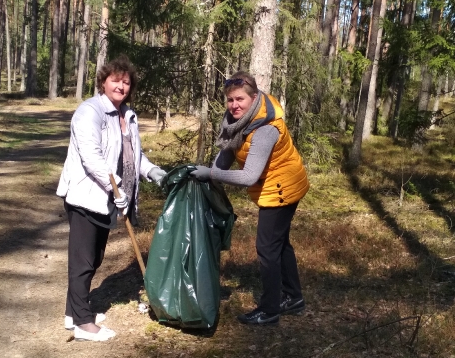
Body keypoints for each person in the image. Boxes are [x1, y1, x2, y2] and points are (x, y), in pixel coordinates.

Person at [56, 55, 166, 341]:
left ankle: (73, 311)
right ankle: (82, 323)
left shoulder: (127, 115)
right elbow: (91, 157)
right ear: (103, 81)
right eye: (115, 80)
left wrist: (153, 171)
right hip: (86, 194)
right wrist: (116, 185)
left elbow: (133, 155)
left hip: (108, 197)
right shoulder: (89, 111)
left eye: (126, 81)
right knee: (83, 260)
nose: (121, 86)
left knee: (95, 257)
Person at [190, 71, 309, 325]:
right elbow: (229, 151)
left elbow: (247, 176)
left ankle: (270, 310)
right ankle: (293, 297)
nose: (234, 105)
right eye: (231, 100)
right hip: (277, 181)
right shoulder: (240, 121)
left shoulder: (265, 128)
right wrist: (211, 173)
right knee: (280, 244)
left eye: (240, 99)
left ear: (253, 98)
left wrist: (211, 173)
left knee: (267, 248)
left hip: (282, 187)